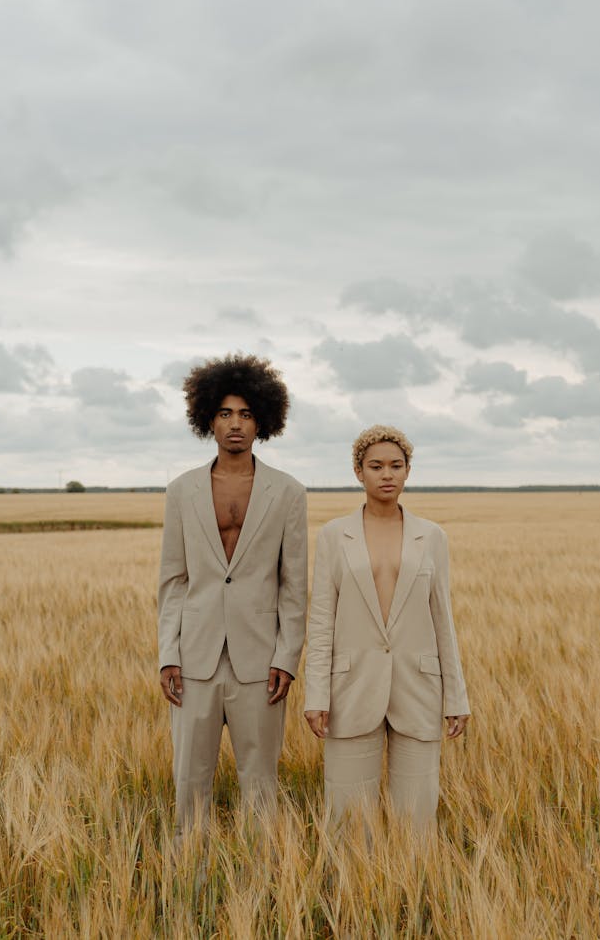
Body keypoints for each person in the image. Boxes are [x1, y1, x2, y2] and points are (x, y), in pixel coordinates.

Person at [158, 353, 308, 840]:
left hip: (260, 661)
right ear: (208, 419)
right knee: (189, 783)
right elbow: (173, 580)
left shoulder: (288, 492)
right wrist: (167, 655)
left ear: (262, 419)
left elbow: (294, 585)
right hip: (194, 657)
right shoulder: (181, 491)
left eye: (245, 413)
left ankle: (265, 884)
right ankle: (187, 881)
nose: (235, 424)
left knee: (260, 785)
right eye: (225, 413)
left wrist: (287, 658)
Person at [304, 424, 469, 832]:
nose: (387, 474)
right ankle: (352, 895)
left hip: (419, 689)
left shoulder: (431, 536)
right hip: (350, 691)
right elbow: (322, 618)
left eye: (396, 465)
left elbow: (442, 618)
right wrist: (316, 694)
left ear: (409, 471)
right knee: (347, 818)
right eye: (376, 466)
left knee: (416, 819)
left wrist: (457, 696)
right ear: (358, 472)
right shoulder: (332, 536)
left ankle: (413, 892)